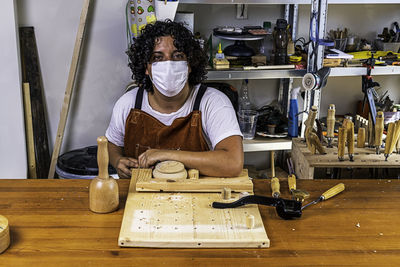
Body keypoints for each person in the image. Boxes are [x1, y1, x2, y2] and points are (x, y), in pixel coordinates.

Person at [105, 20, 243, 179]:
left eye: (177, 56)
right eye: (157, 57)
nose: (168, 65)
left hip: (197, 198)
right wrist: (117, 161)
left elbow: (233, 163)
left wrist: (165, 155)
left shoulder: (213, 102)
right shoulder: (128, 103)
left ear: (190, 65)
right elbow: (112, 144)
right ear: (146, 68)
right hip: (141, 198)